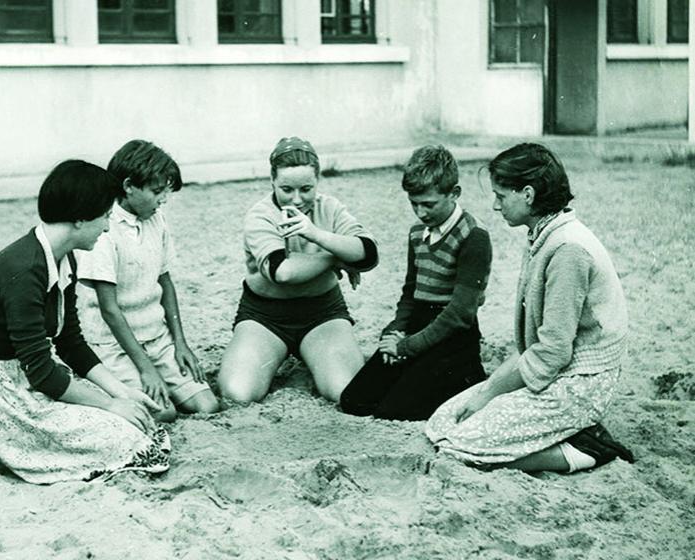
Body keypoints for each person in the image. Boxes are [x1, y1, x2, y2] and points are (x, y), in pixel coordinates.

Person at [0, 160, 170, 484]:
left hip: (20, 375)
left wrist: (120, 392)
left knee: (131, 423)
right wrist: (111, 405)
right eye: (105, 216)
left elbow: (70, 343)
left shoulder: (63, 258)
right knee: (123, 438)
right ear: (80, 219)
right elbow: (41, 371)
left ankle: (4, 442)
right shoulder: (25, 269)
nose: (107, 227)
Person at [425, 143, 634, 473]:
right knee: (443, 423)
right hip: (555, 369)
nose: (495, 206)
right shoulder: (544, 234)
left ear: (528, 194)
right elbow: (541, 348)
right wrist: (489, 394)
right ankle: (557, 435)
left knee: (462, 447)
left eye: (501, 195)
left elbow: (553, 352)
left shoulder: (568, 249)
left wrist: (490, 392)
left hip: (582, 381)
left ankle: (588, 449)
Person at [218, 136, 378, 404]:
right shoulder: (261, 215)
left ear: (318, 181)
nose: (297, 198)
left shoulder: (329, 207)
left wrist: (317, 235)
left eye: (306, 188)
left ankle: (316, 356)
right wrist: (335, 259)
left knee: (345, 391)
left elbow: (368, 254)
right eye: (286, 189)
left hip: (322, 313)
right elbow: (282, 272)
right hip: (265, 316)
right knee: (238, 394)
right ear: (272, 180)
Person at [340, 145, 492, 420]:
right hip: (417, 327)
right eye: (414, 203)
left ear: (454, 193)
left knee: (394, 411)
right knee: (354, 400)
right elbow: (411, 292)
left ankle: (465, 378)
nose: (421, 212)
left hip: (452, 336)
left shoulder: (474, 236)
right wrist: (395, 332)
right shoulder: (417, 233)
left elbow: (460, 314)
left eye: (429, 204)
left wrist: (406, 348)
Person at [75, 140, 219, 421]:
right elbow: (109, 310)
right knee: (163, 413)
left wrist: (180, 343)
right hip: (114, 344)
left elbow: (165, 281)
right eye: (157, 191)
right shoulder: (104, 227)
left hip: (157, 337)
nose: (163, 199)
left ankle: (159, 370)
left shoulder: (156, 218)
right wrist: (146, 368)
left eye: (166, 191)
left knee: (207, 404)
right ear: (129, 186)